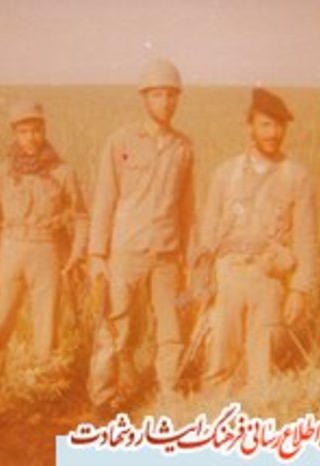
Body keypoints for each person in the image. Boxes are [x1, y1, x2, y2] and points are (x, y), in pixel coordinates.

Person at [87, 59, 195, 413]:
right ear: (144, 97)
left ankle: (169, 393)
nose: (166, 102)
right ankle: (104, 397)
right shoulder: (121, 142)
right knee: (115, 326)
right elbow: (105, 199)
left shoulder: (183, 147)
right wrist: (97, 255)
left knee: (171, 328)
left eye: (171, 95)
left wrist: (191, 257)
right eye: (158, 95)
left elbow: (187, 208)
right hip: (125, 251)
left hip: (166, 253)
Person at [199, 87, 316, 394]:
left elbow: (305, 239)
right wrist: (204, 278)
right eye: (265, 125)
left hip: (269, 276)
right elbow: (208, 231)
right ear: (249, 126)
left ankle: (258, 412)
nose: (273, 133)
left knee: (261, 362)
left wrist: (299, 290)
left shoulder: (297, 176)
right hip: (228, 274)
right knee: (220, 353)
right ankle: (214, 411)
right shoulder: (226, 173)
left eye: (279, 126)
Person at [0, 101, 88, 370]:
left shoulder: (62, 172)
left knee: (46, 326)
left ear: (44, 130)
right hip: (10, 252)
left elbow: (82, 217)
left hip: (47, 252)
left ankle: (42, 381)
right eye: (23, 132)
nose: (30, 138)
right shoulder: (2, 174)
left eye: (36, 130)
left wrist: (76, 254)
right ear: (14, 133)